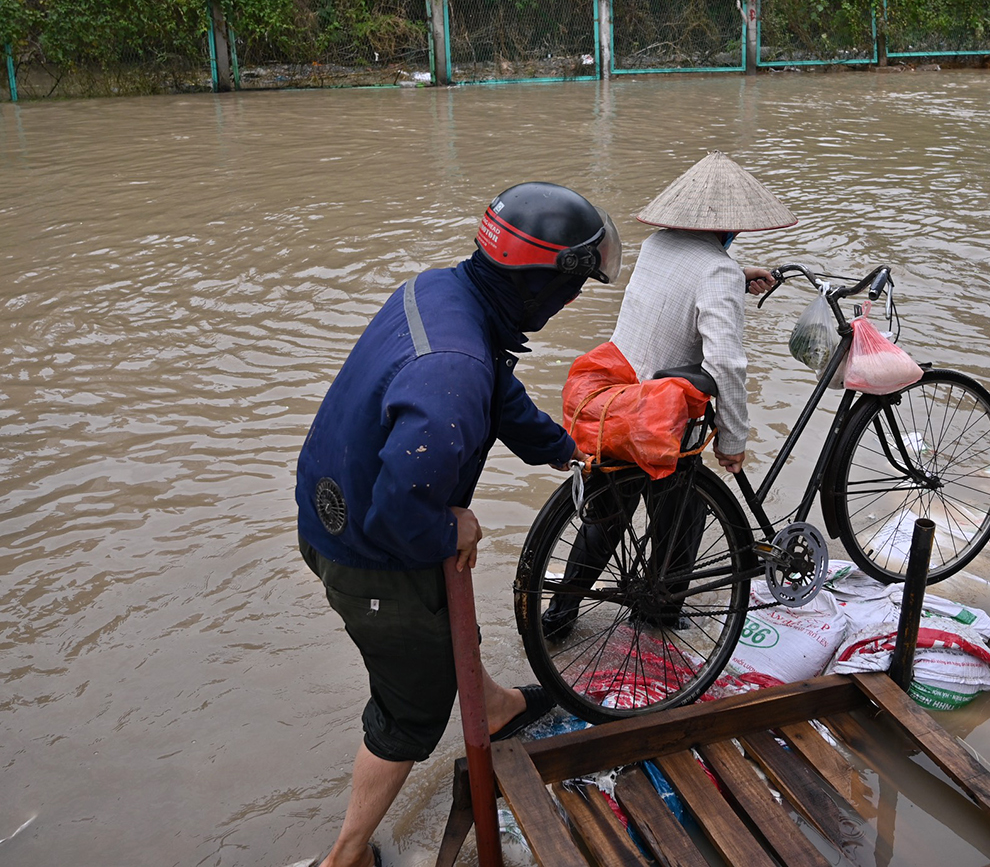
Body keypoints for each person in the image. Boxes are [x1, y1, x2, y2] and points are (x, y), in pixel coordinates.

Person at [295, 182, 620, 867]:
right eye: (573, 288)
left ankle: (495, 705)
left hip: (329, 507)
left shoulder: (442, 294)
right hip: (372, 555)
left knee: (443, 623)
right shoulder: (454, 371)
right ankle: (345, 856)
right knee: (408, 712)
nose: (573, 302)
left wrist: (563, 446)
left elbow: (496, 390)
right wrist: (450, 530)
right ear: (540, 286)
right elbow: (399, 512)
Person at [542, 151, 795, 639]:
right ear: (733, 227)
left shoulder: (658, 245)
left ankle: (557, 617)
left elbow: (674, 292)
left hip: (619, 395)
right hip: (660, 411)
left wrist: (735, 277)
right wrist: (733, 438)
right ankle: (657, 617)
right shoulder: (716, 272)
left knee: (608, 512)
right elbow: (727, 364)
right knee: (681, 513)